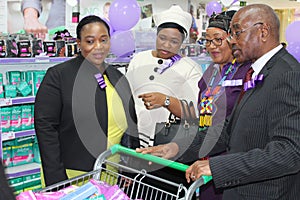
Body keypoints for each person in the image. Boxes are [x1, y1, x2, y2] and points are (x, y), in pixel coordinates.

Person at [138, 4, 300, 200]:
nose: (231, 41)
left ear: (262, 32)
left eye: (237, 33)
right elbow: (228, 129)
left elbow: (290, 152)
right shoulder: (258, 72)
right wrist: (175, 148)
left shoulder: (288, 74)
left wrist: (218, 167)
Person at [138, 10, 251, 200]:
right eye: (208, 40)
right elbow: (199, 115)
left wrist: (166, 101)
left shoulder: (246, 73)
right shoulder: (209, 74)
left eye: (218, 40)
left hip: (231, 161)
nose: (212, 46)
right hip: (203, 155)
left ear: (233, 39)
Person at [34, 15, 139, 186]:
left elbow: (132, 124)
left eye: (103, 40)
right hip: (72, 175)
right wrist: (57, 180)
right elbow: (45, 127)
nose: (98, 47)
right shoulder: (59, 76)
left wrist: (130, 167)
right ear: (79, 43)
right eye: (90, 41)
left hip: (110, 174)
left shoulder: (117, 76)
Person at [126, 4, 202, 148]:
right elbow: (126, 97)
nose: (166, 45)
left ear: (182, 43)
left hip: (166, 143)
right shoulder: (139, 59)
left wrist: (166, 101)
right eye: (162, 38)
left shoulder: (190, 68)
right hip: (134, 139)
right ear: (156, 35)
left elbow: (193, 114)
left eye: (174, 41)